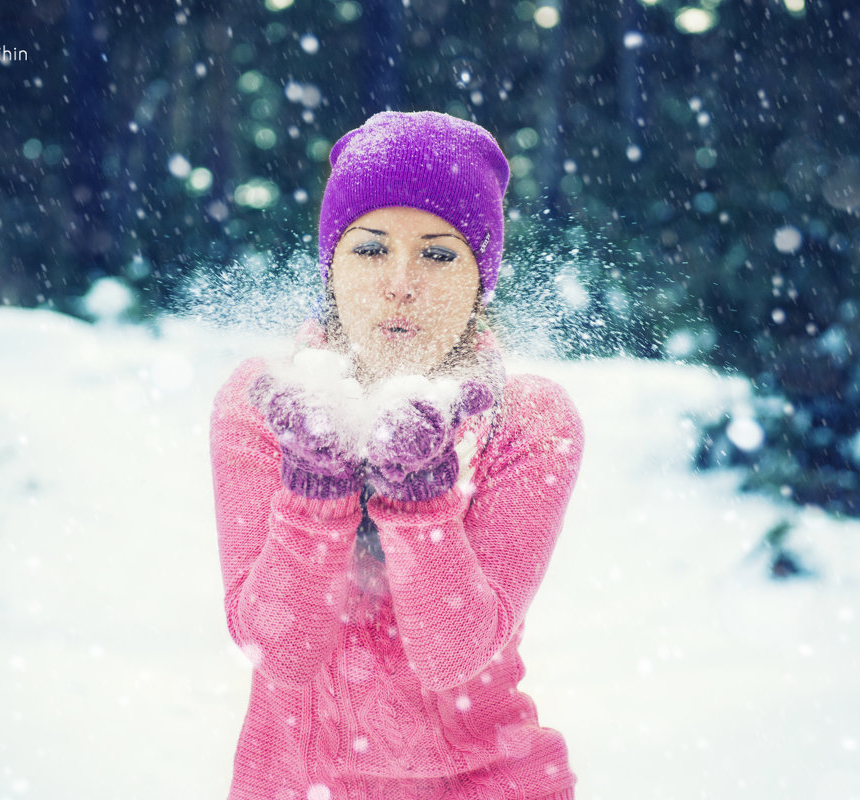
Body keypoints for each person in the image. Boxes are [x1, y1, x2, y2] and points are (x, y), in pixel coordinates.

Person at [210, 110, 585, 800]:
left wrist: (420, 503)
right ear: (332, 265)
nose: (401, 281)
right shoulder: (264, 401)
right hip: (292, 783)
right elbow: (278, 651)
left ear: (481, 280)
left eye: (439, 254)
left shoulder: (525, 420)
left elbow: (456, 655)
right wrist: (314, 493)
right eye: (371, 248)